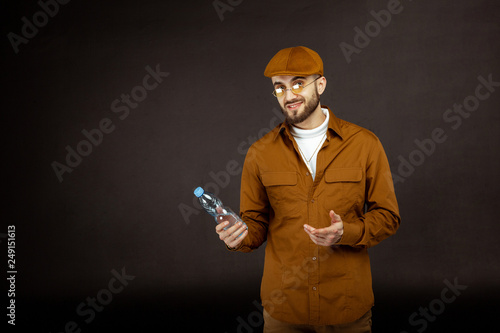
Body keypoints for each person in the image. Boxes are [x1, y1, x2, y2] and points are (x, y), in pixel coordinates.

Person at [215, 46, 401, 332]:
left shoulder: (365, 144)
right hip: (285, 309)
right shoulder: (259, 153)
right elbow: (256, 225)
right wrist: (237, 236)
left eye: (298, 83)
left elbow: (388, 216)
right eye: (280, 88)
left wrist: (346, 232)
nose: (289, 96)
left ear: (321, 84)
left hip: (346, 306)